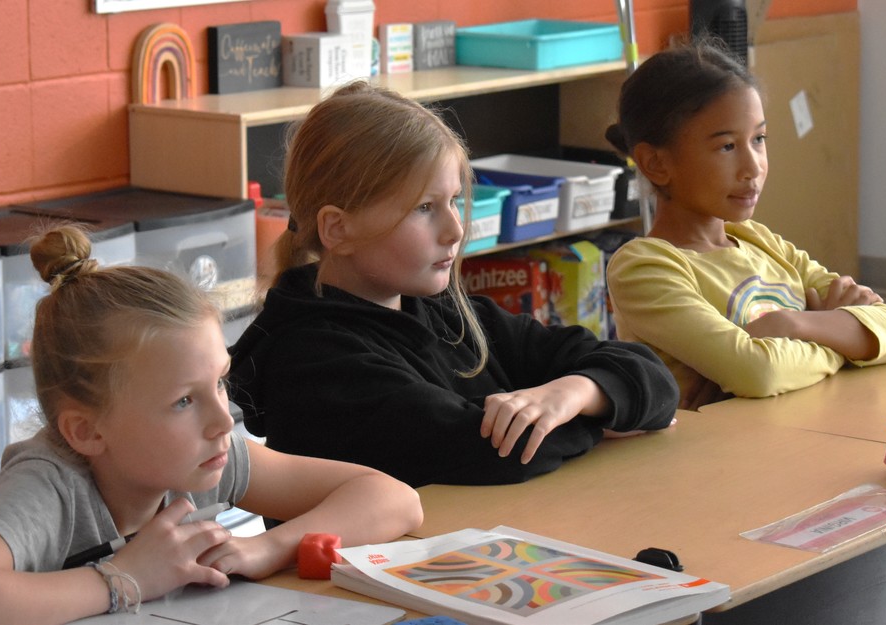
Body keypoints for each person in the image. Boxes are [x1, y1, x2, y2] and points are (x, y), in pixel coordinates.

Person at [0, 225, 422, 625]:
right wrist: (127, 579)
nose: (220, 419)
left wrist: (269, 547)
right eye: (183, 400)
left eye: (220, 383)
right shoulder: (51, 484)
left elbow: (395, 499)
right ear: (87, 432)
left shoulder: (207, 454)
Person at [228, 81, 679, 489]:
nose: (455, 230)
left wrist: (573, 393)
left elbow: (653, 378)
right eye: (424, 208)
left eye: (454, 202)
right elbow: (496, 454)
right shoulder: (313, 361)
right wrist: (605, 413)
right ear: (337, 228)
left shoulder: (456, 316)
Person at [604, 39, 886, 411]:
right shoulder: (644, 268)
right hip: (719, 461)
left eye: (759, 139)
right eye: (726, 147)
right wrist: (843, 338)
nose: (753, 167)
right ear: (656, 163)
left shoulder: (760, 242)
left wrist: (796, 325)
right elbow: (759, 372)